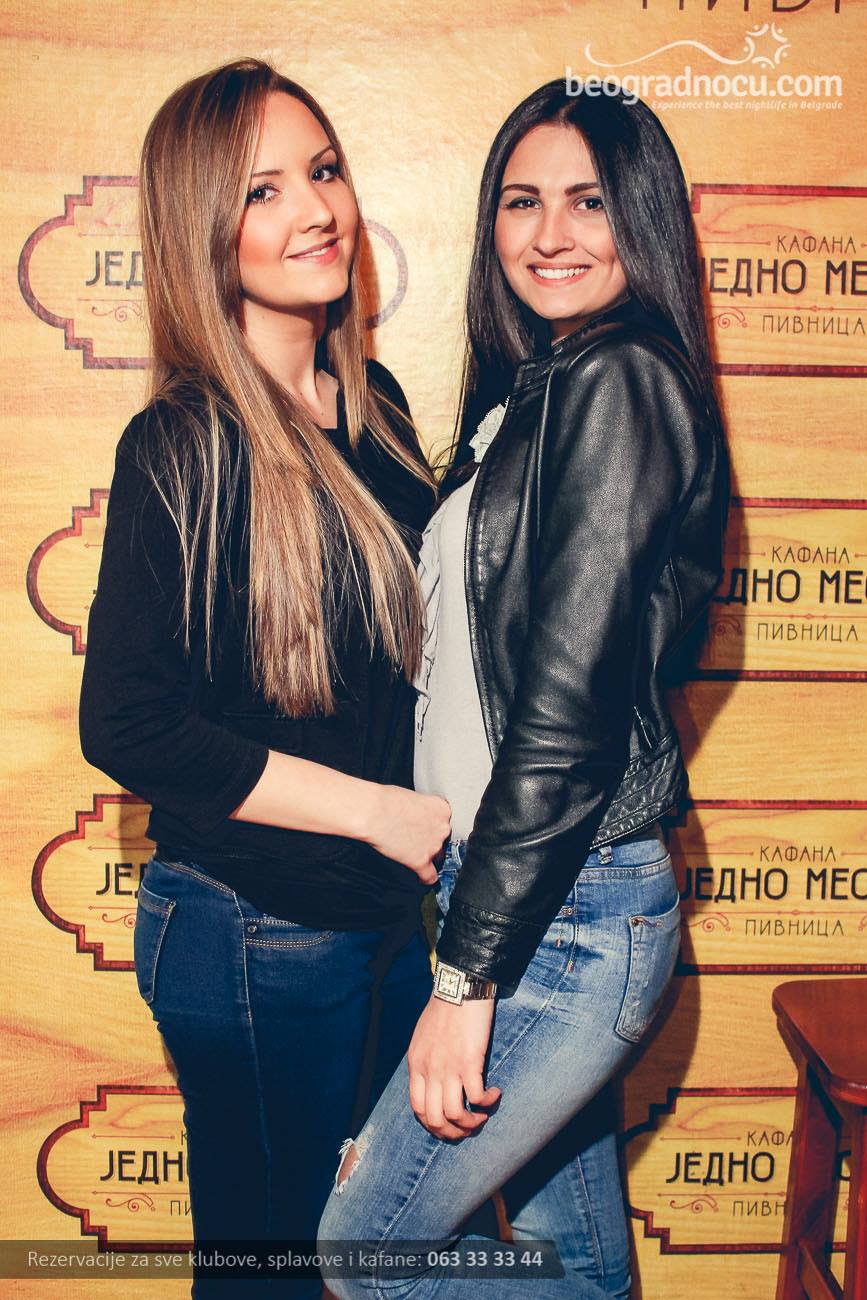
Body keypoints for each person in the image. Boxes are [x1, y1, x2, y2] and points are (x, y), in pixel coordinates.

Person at [318, 80, 729, 1299]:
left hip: (566, 908)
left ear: (641, 217)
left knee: (363, 1254)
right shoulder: (535, 391)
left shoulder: (622, 380)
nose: (551, 234)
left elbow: (569, 711)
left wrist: (467, 979)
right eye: (522, 201)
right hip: (520, 889)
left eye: (590, 202)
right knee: (578, 1267)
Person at [78, 58, 450, 1297]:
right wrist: (376, 811)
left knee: (372, 1258)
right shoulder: (182, 444)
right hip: (250, 927)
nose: (316, 209)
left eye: (324, 171)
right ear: (205, 228)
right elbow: (126, 720)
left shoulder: (374, 406)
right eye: (263, 190)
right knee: (270, 1268)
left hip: (382, 919)